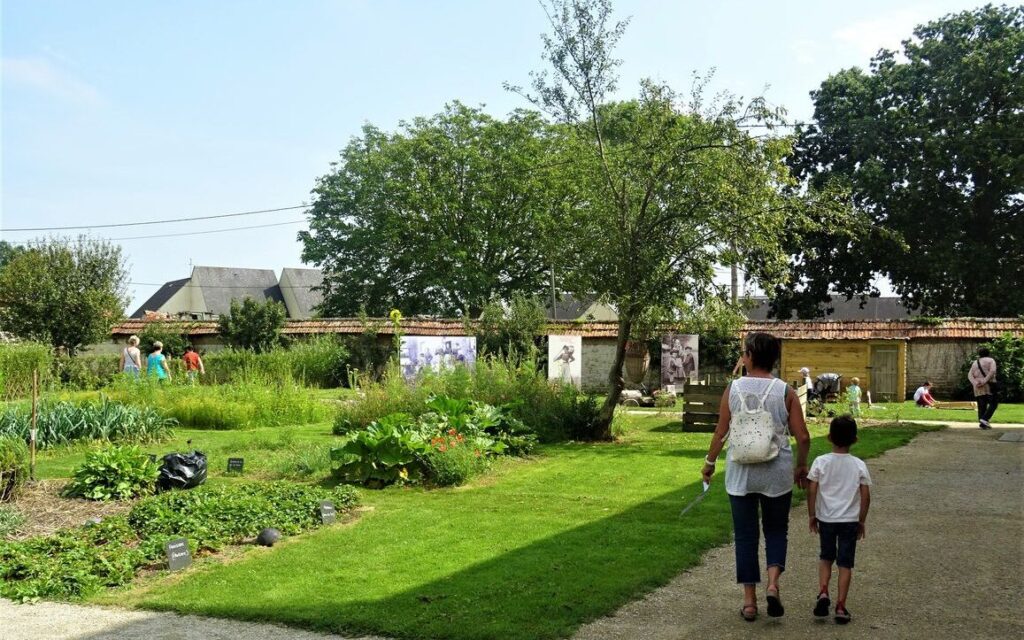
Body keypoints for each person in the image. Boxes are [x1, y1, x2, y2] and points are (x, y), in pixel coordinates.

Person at [702, 332, 811, 621]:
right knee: (776, 531)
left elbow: (721, 432)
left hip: (742, 475)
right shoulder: (785, 391)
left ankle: (749, 602)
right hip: (777, 474)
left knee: (746, 537)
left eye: (744, 353)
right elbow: (803, 436)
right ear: (773, 358)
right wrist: (801, 466)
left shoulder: (733, 389)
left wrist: (709, 463)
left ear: (749, 356)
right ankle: (773, 585)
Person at [807, 416, 872, 625]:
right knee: (845, 563)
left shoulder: (821, 462)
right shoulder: (859, 465)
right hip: (849, 521)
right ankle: (841, 606)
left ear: (829, 437)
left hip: (826, 518)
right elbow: (865, 495)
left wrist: (812, 514)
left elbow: (812, 489)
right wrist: (861, 520)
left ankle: (823, 591)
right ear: (855, 439)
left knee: (826, 557)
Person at [968, 348, 998, 429]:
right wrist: (984, 381)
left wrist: (975, 383)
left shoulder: (975, 362)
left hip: (977, 386)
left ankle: (982, 424)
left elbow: (969, 375)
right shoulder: (991, 360)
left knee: (981, 405)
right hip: (989, 385)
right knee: (994, 403)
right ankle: (985, 419)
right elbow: (992, 371)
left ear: (979, 354)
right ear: (988, 353)